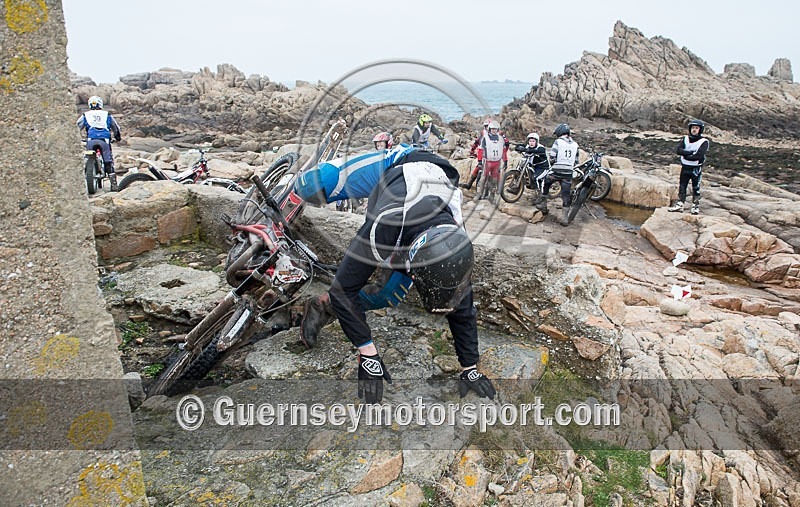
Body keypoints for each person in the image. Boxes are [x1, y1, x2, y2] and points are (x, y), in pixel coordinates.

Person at [298, 150, 496, 404]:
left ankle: (321, 305)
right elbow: (343, 288)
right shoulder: (382, 227)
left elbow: (463, 306)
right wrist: (368, 354)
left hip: (428, 198)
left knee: (387, 294)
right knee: (312, 185)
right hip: (397, 165)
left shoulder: (454, 247)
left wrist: (470, 368)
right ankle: (278, 199)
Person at [76, 96, 121, 191]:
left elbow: (77, 126)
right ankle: (113, 184)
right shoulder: (107, 114)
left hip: (91, 139)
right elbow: (116, 127)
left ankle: (86, 178)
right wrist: (117, 137)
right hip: (104, 140)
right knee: (108, 161)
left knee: (88, 158)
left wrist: (78, 138)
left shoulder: (85, 115)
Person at [668, 119, 710, 215]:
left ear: (700, 130)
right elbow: (679, 150)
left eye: (696, 128)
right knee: (682, 186)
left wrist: (686, 155)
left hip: (696, 168)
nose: (694, 130)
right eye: (693, 128)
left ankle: (695, 206)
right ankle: (680, 204)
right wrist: (689, 153)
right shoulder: (685, 139)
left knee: (696, 187)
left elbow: (699, 155)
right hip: (685, 167)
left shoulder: (704, 142)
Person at [544, 123, 578, 226]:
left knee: (546, 182)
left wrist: (554, 165)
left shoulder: (558, 142)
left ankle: (543, 205)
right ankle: (564, 218)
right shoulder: (575, 145)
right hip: (568, 173)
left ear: (559, 132)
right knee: (566, 195)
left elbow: (552, 157)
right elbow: (576, 161)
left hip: (557, 171)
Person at [514, 133, 551, 214]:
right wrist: (518, 147)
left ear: (536, 142)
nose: (531, 143)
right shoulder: (527, 146)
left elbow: (538, 151)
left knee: (537, 178)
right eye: (530, 141)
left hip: (543, 167)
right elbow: (520, 146)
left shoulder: (541, 148)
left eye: (533, 141)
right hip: (534, 166)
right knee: (525, 173)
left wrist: (526, 150)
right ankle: (515, 188)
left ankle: (541, 196)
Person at [474, 120, 509, 200]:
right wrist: (479, 161)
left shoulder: (500, 139)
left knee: (494, 180)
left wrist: (505, 161)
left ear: (497, 130)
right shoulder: (485, 138)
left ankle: (492, 196)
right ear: (489, 129)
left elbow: (503, 150)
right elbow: (480, 150)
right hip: (487, 161)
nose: (494, 130)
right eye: (492, 129)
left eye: (495, 129)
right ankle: (479, 194)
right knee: (483, 179)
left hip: (497, 162)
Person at [462, 118, 492, 190]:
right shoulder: (483, 133)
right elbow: (477, 142)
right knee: (478, 168)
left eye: (488, 126)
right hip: (484, 154)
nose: (487, 128)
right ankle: (469, 184)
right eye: (485, 126)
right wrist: (472, 150)